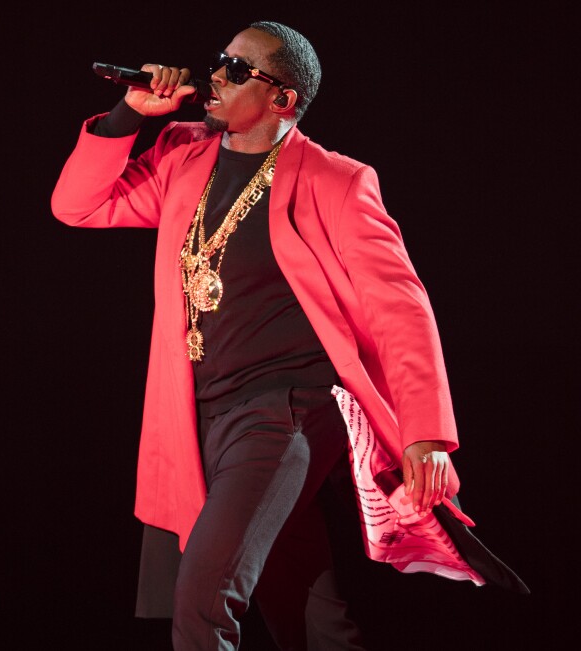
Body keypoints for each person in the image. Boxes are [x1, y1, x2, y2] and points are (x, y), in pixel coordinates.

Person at [51, 19, 522, 650]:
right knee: (306, 611)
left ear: (283, 100)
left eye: (239, 69)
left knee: (203, 600)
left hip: (287, 411)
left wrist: (427, 434)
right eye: (221, 60)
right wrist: (127, 116)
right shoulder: (182, 156)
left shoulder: (336, 181)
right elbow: (78, 205)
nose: (216, 75)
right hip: (200, 414)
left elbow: (401, 307)